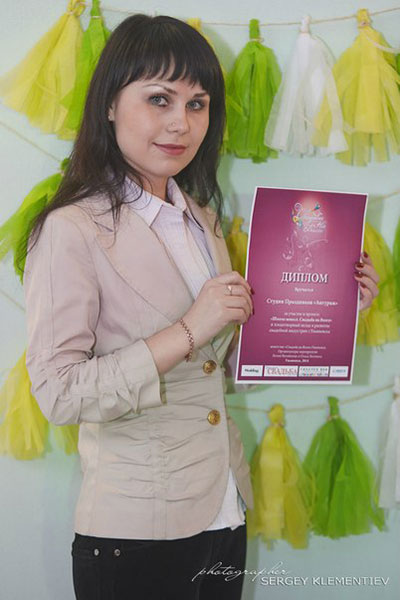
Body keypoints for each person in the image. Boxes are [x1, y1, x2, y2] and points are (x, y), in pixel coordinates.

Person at [22, 14, 379, 600]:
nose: (180, 123)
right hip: (136, 530)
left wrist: (335, 310)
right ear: (109, 104)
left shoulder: (203, 221)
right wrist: (189, 329)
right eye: (158, 99)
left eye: (197, 104)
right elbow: (59, 394)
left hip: (224, 510)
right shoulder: (71, 229)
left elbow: (221, 371)